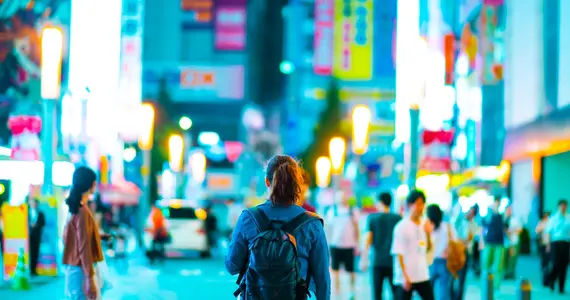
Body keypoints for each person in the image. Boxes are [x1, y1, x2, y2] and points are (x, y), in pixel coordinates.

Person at [226, 154, 331, 300]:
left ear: (267, 181)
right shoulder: (312, 223)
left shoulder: (248, 217)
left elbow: (232, 266)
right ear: (297, 183)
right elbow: (322, 279)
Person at [62, 166, 104, 300]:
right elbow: (83, 246)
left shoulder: (74, 209)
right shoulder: (82, 211)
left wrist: (97, 237)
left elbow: (71, 238)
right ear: (91, 184)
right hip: (81, 270)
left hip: (74, 268)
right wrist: (89, 278)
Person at [391, 190, 434, 300]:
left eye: (423, 204)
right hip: (406, 277)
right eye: (418, 204)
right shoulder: (401, 227)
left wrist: (428, 234)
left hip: (422, 274)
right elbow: (398, 253)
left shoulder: (424, 224)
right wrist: (405, 276)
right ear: (410, 205)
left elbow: (427, 249)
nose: (421, 207)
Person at [361, 192, 401, 300]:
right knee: (396, 293)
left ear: (380, 202)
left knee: (377, 294)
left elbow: (368, 239)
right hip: (393, 261)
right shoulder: (398, 218)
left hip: (377, 261)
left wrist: (364, 259)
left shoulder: (372, 218)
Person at [326, 190, 360, 297]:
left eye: (343, 196)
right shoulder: (332, 211)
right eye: (339, 197)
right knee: (335, 270)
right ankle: (337, 292)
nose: (341, 198)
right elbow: (328, 229)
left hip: (349, 245)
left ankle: (352, 292)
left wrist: (357, 244)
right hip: (335, 245)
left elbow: (356, 228)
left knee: (351, 270)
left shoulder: (352, 211)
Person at [426, 204, 457, 300]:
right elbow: (455, 241)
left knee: (426, 291)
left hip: (429, 262)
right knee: (443, 291)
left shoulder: (426, 227)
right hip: (444, 261)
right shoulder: (447, 227)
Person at [453, 206, 480, 300]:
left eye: (473, 213)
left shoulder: (474, 224)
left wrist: (464, 242)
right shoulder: (459, 220)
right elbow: (453, 233)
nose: (470, 214)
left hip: (466, 253)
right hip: (455, 253)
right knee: (452, 279)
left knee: (461, 280)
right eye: (470, 211)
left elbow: (471, 238)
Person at [545, 199, 570, 294]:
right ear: (558, 207)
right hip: (555, 243)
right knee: (556, 264)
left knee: (564, 265)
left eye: (565, 206)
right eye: (562, 206)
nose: (563, 207)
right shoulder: (553, 218)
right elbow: (548, 232)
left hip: (566, 243)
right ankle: (551, 280)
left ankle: (561, 287)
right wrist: (548, 244)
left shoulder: (568, 218)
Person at [481, 196, 506, 291]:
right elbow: (484, 225)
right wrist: (481, 240)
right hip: (489, 242)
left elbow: (504, 227)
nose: (497, 204)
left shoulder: (501, 214)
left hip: (499, 242)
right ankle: (485, 283)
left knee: (498, 266)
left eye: (499, 203)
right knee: (486, 264)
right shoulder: (489, 213)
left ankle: (496, 286)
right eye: (497, 202)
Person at [503, 205, 522, 279]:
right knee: (505, 258)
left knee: (513, 258)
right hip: (505, 242)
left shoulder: (515, 219)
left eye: (510, 210)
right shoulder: (503, 219)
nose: (508, 211)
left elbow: (520, 230)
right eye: (507, 210)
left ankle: (511, 273)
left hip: (514, 241)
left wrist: (511, 231)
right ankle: (505, 272)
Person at [28, 198, 45, 276]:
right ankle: (28, 269)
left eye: (35, 203)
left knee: (35, 252)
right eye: (32, 203)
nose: (33, 204)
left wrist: (36, 225)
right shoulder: (26, 213)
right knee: (28, 253)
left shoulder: (41, 213)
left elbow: (43, 223)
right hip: (27, 236)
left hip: (37, 236)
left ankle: (34, 270)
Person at [535, 211, 550, 283]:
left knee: (549, 261)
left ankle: (547, 276)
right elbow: (537, 231)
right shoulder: (541, 223)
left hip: (550, 244)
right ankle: (545, 277)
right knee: (544, 261)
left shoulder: (551, 223)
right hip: (543, 244)